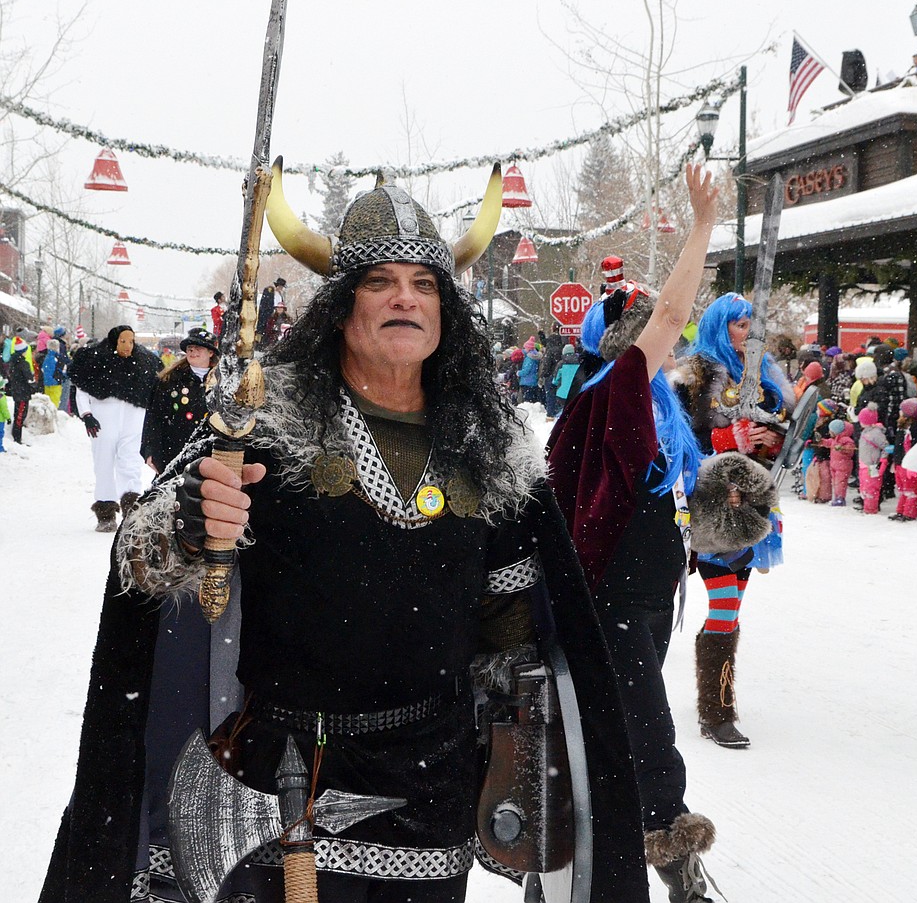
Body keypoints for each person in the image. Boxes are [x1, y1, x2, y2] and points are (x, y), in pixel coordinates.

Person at [40, 168, 647, 903]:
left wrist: (516, 752)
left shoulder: (492, 451)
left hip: (431, 781)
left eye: (425, 284)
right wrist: (193, 523)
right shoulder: (260, 426)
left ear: (447, 311)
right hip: (282, 779)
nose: (406, 297)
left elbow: (514, 625)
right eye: (381, 281)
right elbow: (138, 556)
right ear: (339, 308)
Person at [548, 167, 744, 903]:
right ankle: (674, 865)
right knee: (646, 735)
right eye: (638, 328)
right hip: (614, 598)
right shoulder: (615, 390)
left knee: (622, 727)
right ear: (618, 343)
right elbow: (671, 311)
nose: (658, 332)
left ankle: (578, 865)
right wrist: (701, 225)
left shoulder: (649, 404)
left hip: (647, 592)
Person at [676, 292, 794, 748]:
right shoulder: (694, 374)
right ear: (719, 327)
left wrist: (770, 436)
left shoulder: (764, 375)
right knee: (723, 602)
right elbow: (681, 438)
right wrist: (725, 437)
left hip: (753, 504)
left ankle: (716, 693)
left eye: (750, 325)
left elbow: (787, 433)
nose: (746, 333)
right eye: (737, 325)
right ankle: (716, 712)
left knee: (734, 601)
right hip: (709, 503)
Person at [69, 325, 161, 531]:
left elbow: (155, 390)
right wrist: (87, 415)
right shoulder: (95, 360)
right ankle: (105, 510)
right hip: (103, 420)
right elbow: (81, 389)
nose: (128, 346)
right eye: (123, 341)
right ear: (114, 342)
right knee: (103, 463)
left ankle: (131, 509)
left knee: (130, 463)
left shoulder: (144, 362)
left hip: (134, 419)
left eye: (131, 341)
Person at [141, 327, 218, 474]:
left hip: (211, 452)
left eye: (198, 348)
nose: (193, 351)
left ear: (210, 352)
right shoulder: (170, 380)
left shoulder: (221, 381)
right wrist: (149, 449)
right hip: (175, 449)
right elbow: (154, 416)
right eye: (190, 348)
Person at [3, 335, 37, 444]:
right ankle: (17, 438)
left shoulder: (13, 362)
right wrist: (33, 386)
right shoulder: (23, 363)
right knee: (21, 415)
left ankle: (16, 435)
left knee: (18, 413)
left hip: (16, 390)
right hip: (23, 392)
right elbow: (29, 378)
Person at [256, 275, 286, 340]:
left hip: (277, 316)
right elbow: (264, 304)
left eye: (282, 287)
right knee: (266, 330)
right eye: (280, 286)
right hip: (268, 314)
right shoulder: (270, 292)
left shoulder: (280, 295)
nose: (281, 288)